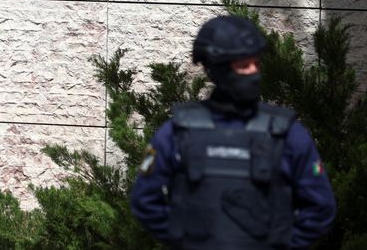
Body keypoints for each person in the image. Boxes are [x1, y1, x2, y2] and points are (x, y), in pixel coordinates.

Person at [130, 15, 336, 249]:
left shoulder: (287, 133)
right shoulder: (177, 133)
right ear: (217, 70)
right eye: (243, 65)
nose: (253, 72)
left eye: (256, 64)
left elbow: (320, 208)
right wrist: (185, 240)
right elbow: (145, 201)